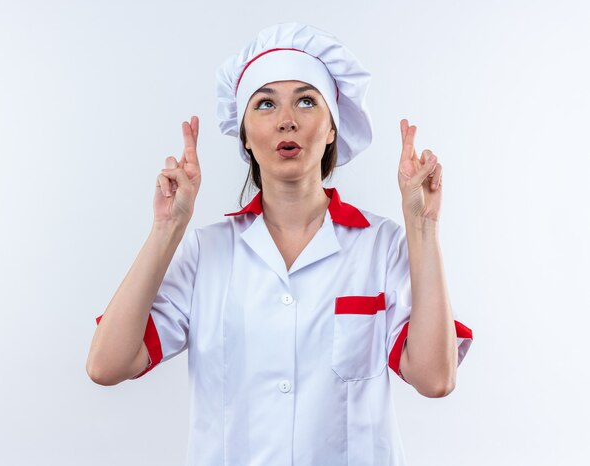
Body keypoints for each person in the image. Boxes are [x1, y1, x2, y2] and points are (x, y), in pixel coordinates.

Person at [86, 22, 473, 465]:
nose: (286, 119)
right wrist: (167, 229)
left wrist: (422, 228)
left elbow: (435, 378)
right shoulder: (206, 252)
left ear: (332, 128)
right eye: (265, 103)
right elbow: (106, 365)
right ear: (245, 135)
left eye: (306, 101)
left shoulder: (381, 245)